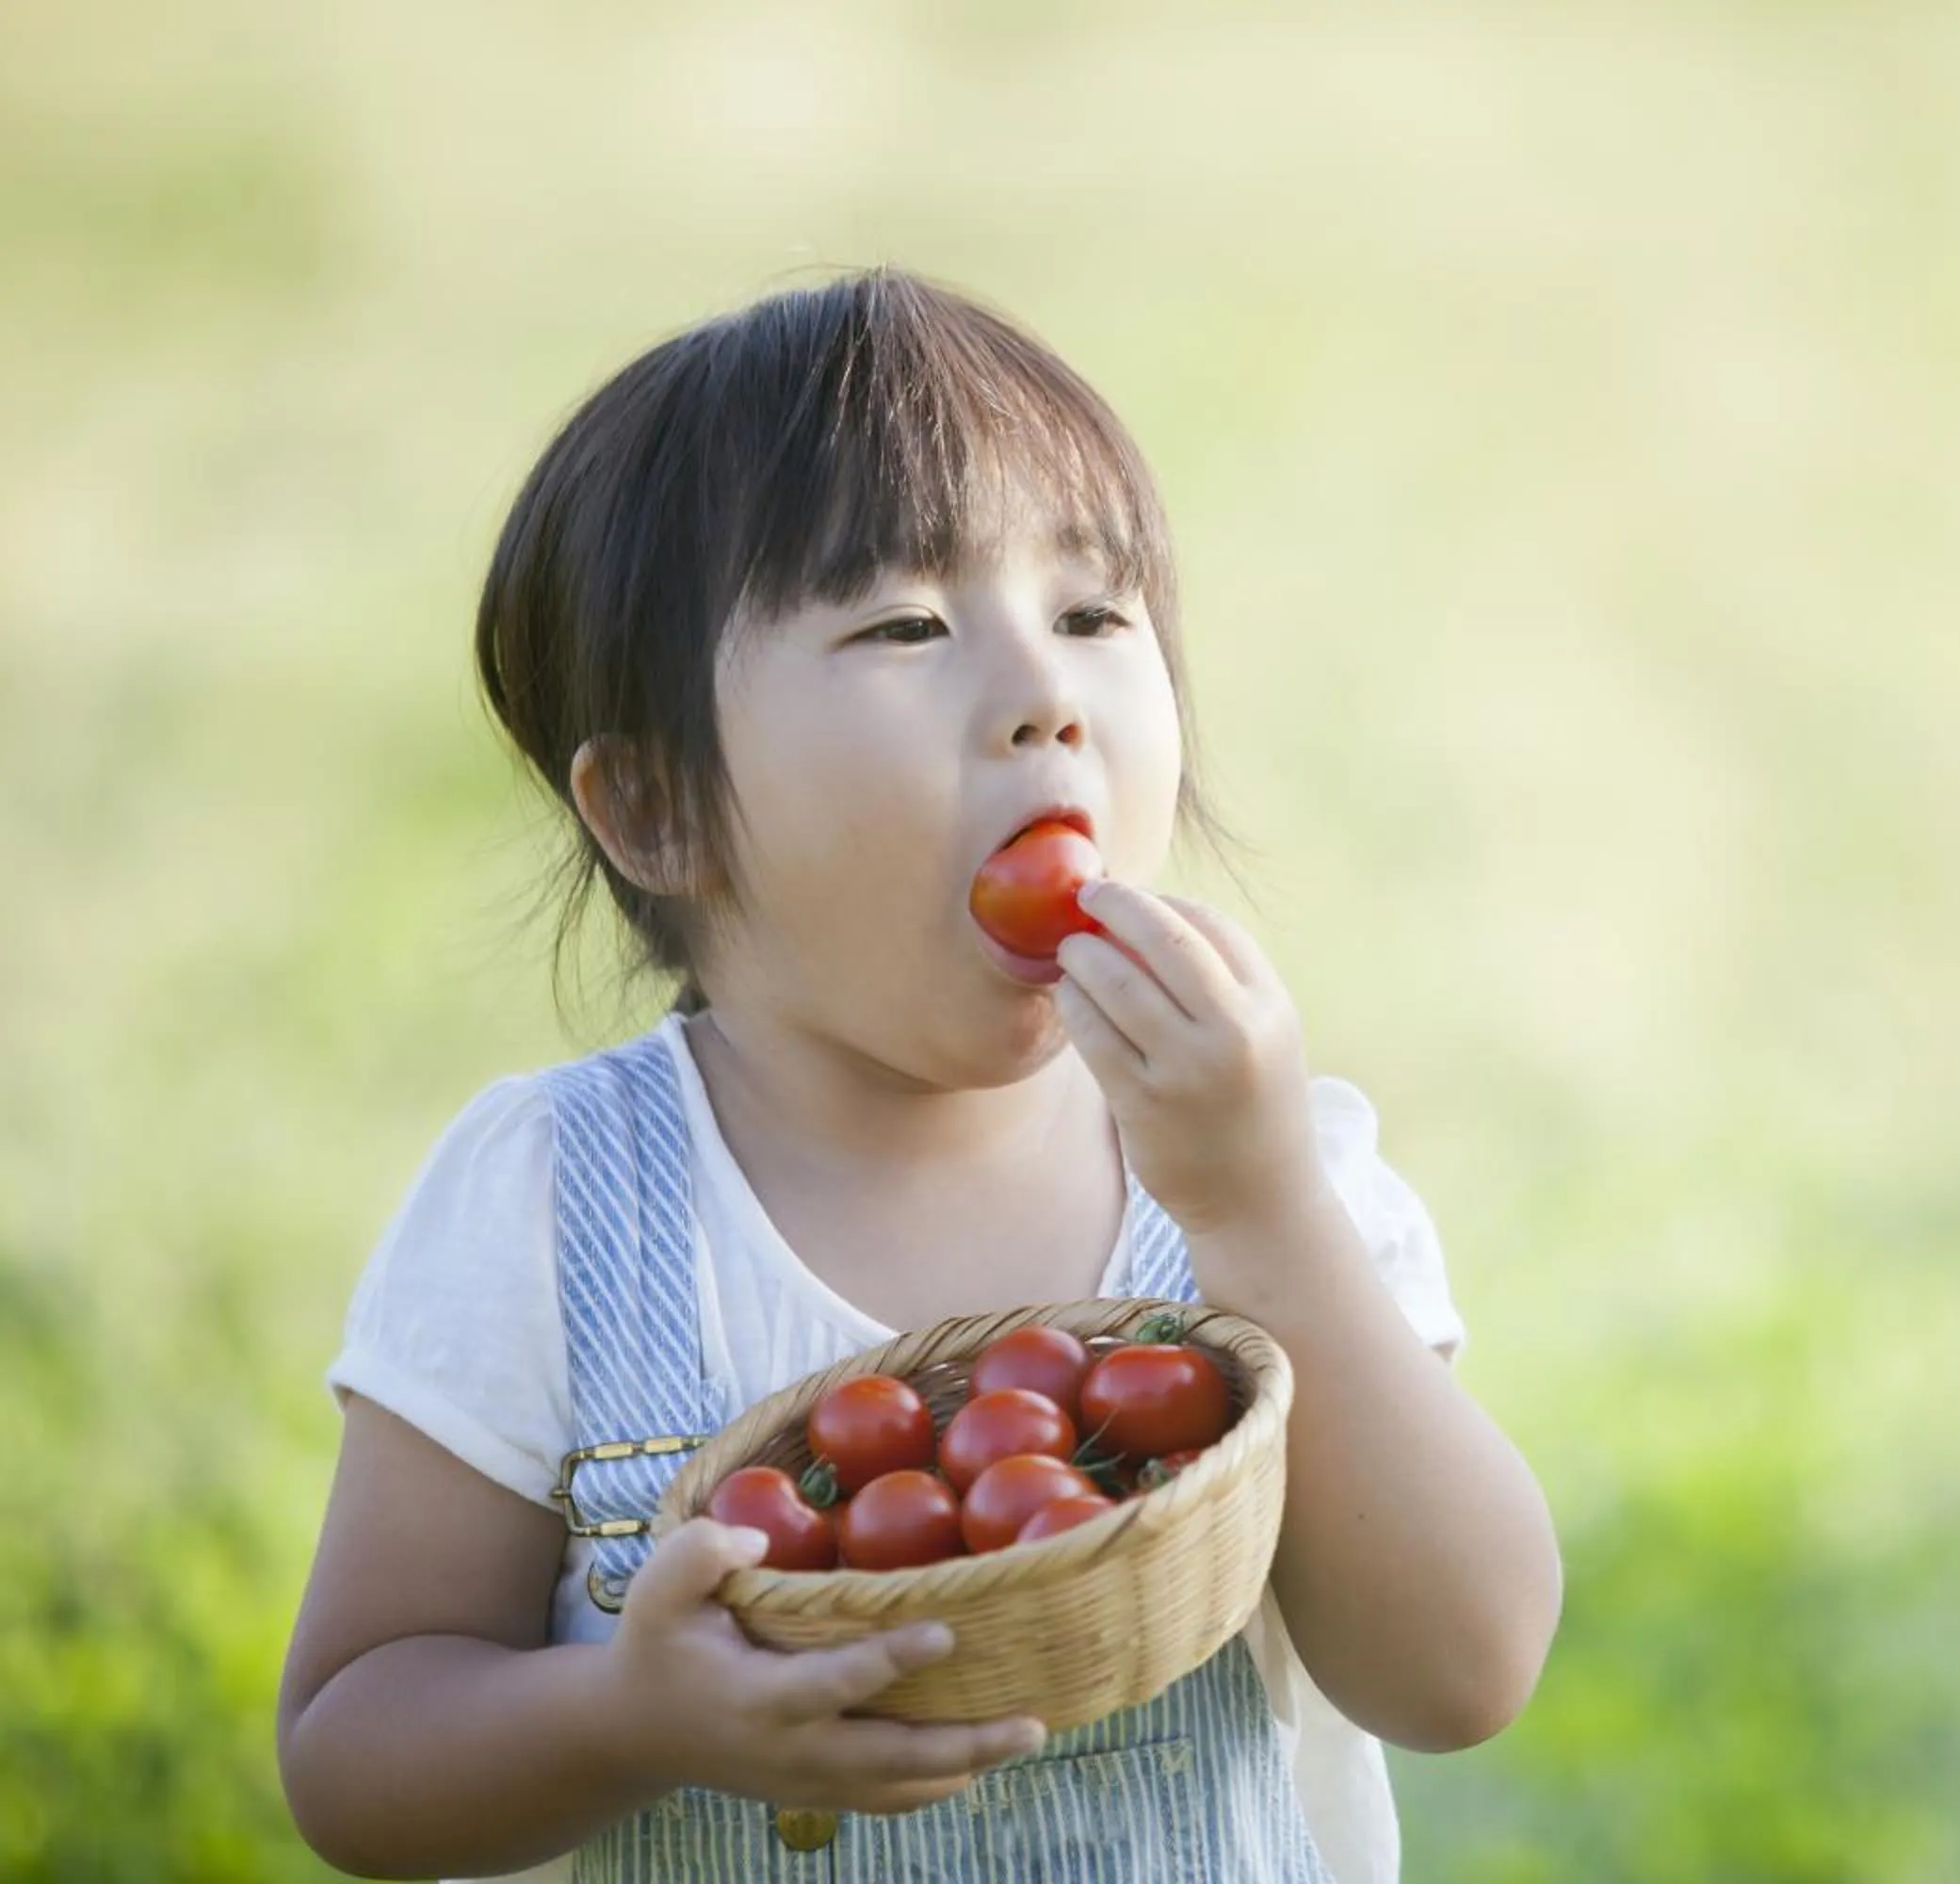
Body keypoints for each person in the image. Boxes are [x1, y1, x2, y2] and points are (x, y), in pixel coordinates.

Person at [274, 267, 1562, 1883]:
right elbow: (352, 1752)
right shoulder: (553, 1204)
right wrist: (622, 1718)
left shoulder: (1272, 1176)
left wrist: (1262, 1211)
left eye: (1095, 617)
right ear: (660, 811)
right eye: (906, 626)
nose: (1046, 703)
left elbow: (1463, 1670)